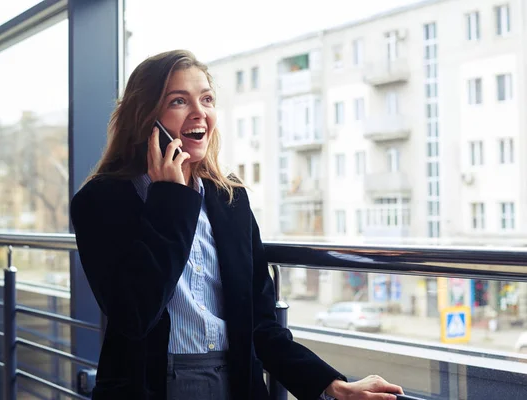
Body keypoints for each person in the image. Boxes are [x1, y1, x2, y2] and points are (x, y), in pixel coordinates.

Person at [70, 49, 404, 400]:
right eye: (179, 101)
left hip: (237, 382)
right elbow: (133, 314)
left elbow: (259, 320)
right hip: (151, 386)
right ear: (145, 118)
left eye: (207, 99)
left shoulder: (229, 197)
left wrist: (328, 384)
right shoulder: (100, 201)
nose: (200, 113)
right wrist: (170, 199)